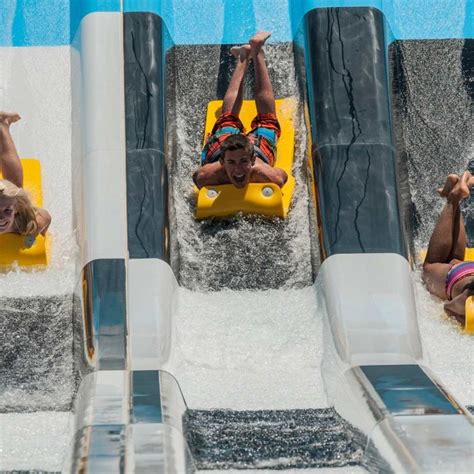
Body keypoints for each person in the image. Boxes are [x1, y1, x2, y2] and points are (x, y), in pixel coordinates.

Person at [193, 31, 288, 190]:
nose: (238, 170)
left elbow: (282, 177)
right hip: (224, 148)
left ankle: (246, 55)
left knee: (228, 118)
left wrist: (260, 167)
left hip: (238, 147)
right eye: (231, 163)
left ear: (252, 160)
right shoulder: (208, 175)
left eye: (243, 161)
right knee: (267, 121)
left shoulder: (263, 173)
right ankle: (253, 52)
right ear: (222, 163)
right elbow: (197, 177)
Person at [423, 171, 474, 322]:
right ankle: (452, 198)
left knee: (454, 258)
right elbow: (449, 307)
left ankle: (456, 191)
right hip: (454, 277)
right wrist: (462, 320)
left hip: (467, 270)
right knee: (429, 265)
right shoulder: (468, 299)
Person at [0, 112, 51, 244]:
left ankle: (2, 123)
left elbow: (45, 216)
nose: (1, 217)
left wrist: (34, 234)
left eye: (7, 211)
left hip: (16, 205)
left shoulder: (21, 221)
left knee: (14, 189)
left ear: (15, 210)